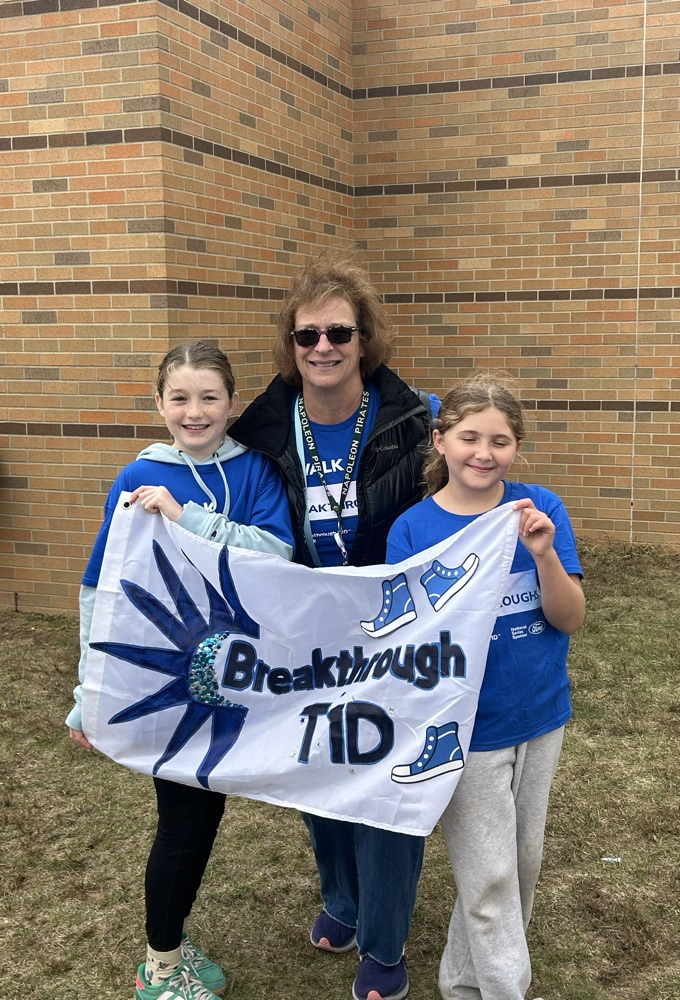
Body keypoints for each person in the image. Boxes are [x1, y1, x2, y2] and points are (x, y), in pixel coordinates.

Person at [229, 247, 438, 1000]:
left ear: (364, 340)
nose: (322, 348)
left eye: (338, 334)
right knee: (319, 773)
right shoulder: (258, 431)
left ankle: (383, 941)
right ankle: (343, 902)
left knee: (385, 783)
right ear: (290, 344)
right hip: (302, 640)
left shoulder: (415, 425)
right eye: (306, 335)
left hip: (396, 637)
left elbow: (463, 498)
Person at [67, 341, 295, 1000]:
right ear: (158, 404)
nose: (194, 413)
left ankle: (170, 941)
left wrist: (186, 516)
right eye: (179, 398)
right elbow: (101, 588)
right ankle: (161, 963)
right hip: (169, 679)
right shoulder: (134, 476)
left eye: (209, 398)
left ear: (231, 402)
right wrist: (89, 695)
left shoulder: (254, 470)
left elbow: (275, 552)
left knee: (207, 810)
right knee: (185, 817)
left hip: (240, 672)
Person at [386, 370, 586, 1000]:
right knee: (491, 874)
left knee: (518, 864)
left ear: (516, 449)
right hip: (462, 731)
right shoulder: (412, 531)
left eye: (500, 441)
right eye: (470, 437)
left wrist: (545, 555)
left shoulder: (539, 509)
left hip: (540, 714)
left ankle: (464, 982)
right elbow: (403, 641)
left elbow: (569, 617)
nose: (484, 453)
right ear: (440, 441)